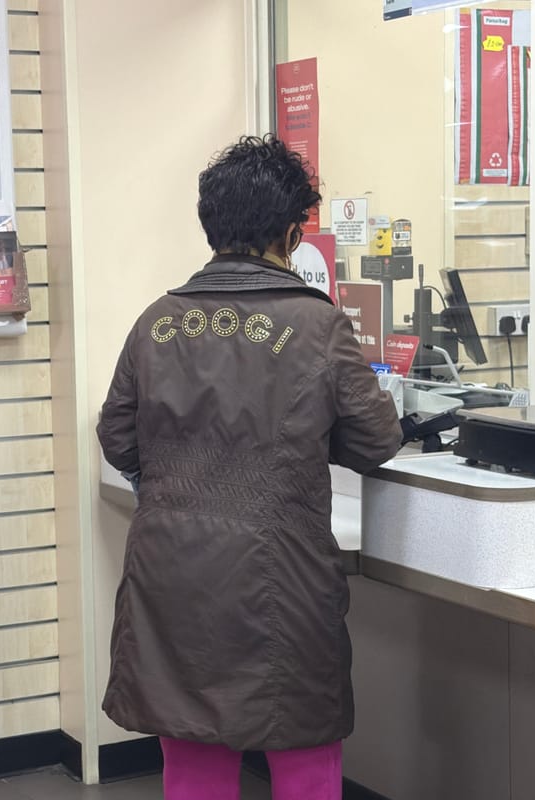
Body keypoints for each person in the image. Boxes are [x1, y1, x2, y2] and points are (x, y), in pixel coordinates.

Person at [97, 134, 403, 800]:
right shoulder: (316, 325)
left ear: (212, 226)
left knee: (194, 750)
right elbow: (378, 437)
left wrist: (175, 490)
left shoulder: (158, 321)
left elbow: (116, 434)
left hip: (171, 572)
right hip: (281, 576)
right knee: (302, 746)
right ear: (293, 234)